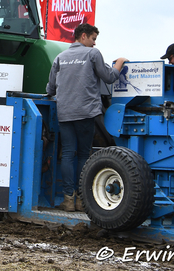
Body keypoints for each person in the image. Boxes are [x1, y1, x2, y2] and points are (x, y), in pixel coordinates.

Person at [46, 23, 128, 212]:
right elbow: (109, 77)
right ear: (83, 36)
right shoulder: (93, 54)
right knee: (84, 154)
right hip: (86, 112)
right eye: (93, 39)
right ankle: (82, 200)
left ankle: (68, 199)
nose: (94, 43)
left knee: (67, 153)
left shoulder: (60, 57)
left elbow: (50, 88)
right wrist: (119, 63)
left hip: (65, 112)